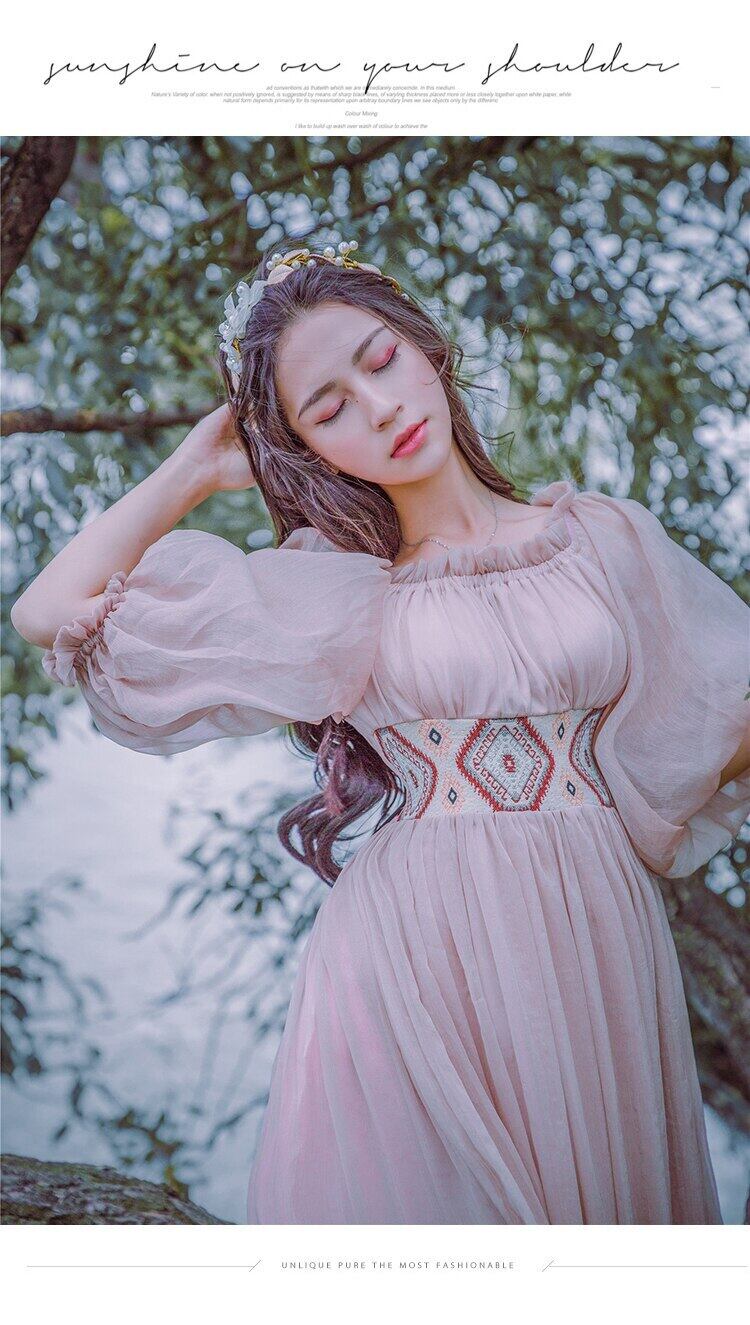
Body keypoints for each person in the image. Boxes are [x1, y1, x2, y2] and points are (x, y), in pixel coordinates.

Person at [11, 240, 750, 1225]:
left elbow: (721, 717)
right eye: (327, 410)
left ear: (425, 346)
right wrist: (196, 466)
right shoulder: (337, 589)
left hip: (598, 929)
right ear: (307, 449)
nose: (379, 407)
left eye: (381, 360)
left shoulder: (602, 539)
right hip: (417, 942)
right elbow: (47, 611)